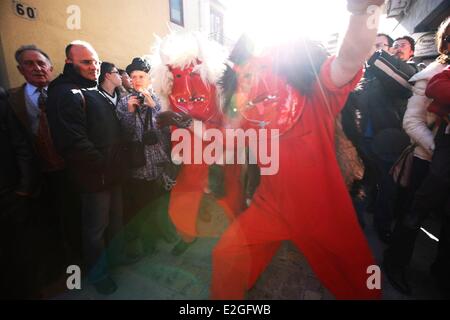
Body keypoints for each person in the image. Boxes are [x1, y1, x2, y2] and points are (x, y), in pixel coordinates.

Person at [210, 0, 384, 300]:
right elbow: (225, 135)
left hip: (325, 211)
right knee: (227, 255)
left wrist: (364, 10)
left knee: (362, 280)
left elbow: (350, 58)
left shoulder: (317, 92)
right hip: (271, 207)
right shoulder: (249, 111)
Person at [150, 32, 244, 255]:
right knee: (182, 207)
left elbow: (227, 135)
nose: (189, 100)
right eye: (182, 99)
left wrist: (188, 122)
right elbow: (175, 129)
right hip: (191, 166)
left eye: (198, 98)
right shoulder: (171, 101)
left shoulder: (223, 100)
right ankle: (187, 236)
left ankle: (234, 248)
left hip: (220, 163)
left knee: (228, 207)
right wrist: (176, 157)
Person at [47, 40, 126, 295]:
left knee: (114, 223)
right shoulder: (65, 92)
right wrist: (104, 165)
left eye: (96, 61)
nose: (93, 67)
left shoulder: (92, 89)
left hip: (110, 175)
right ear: (69, 62)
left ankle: (114, 263)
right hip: (94, 179)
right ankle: (98, 274)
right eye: (86, 62)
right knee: (95, 230)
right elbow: (74, 141)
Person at [383, 17, 450, 295]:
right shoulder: (431, 76)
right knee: (412, 217)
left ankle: (441, 274)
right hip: (427, 161)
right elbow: (411, 123)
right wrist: (438, 152)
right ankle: (394, 265)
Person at [117, 57, 178, 259]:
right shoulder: (125, 101)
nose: (136, 80)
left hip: (159, 161)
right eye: (133, 77)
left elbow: (169, 130)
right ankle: (148, 242)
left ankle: (166, 232)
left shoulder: (159, 100)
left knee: (162, 202)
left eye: (141, 76)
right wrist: (129, 113)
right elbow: (124, 134)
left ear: (149, 78)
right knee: (143, 207)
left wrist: (155, 108)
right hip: (139, 164)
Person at [0, 86, 40, 298]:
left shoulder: (2, 100)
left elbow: (20, 145)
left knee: (17, 248)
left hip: (10, 191)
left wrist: (23, 187)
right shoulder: (15, 97)